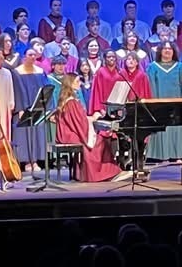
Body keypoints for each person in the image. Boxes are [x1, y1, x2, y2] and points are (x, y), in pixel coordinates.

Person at [54, 73, 123, 183]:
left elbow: (78, 120)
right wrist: (94, 118)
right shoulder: (71, 102)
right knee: (101, 140)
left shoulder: (67, 100)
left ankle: (87, 172)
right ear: (70, 84)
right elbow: (80, 123)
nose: (79, 83)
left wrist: (90, 118)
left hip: (68, 132)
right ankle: (101, 173)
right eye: (77, 81)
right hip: (71, 135)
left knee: (100, 138)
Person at [145, 41, 182, 162]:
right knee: (162, 130)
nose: (167, 51)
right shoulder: (153, 67)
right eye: (164, 48)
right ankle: (161, 156)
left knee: (177, 129)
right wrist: (153, 103)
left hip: (177, 104)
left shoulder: (180, 67)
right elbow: (150, 87)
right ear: (160, 51)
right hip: (159, 104)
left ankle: (177, 155)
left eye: (170, 49)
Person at [12, 48, 49, 177]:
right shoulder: (17, 72)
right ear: (24, 56)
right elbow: (17, 91)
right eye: (30, 55)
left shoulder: (40, 72)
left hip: (37, 107)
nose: (32, 57)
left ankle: (35, 161)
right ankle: (26, 161)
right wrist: (20, 108)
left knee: (36, 134)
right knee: (24, 134)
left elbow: (45, 89)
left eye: (34, 55)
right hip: (24, 107)